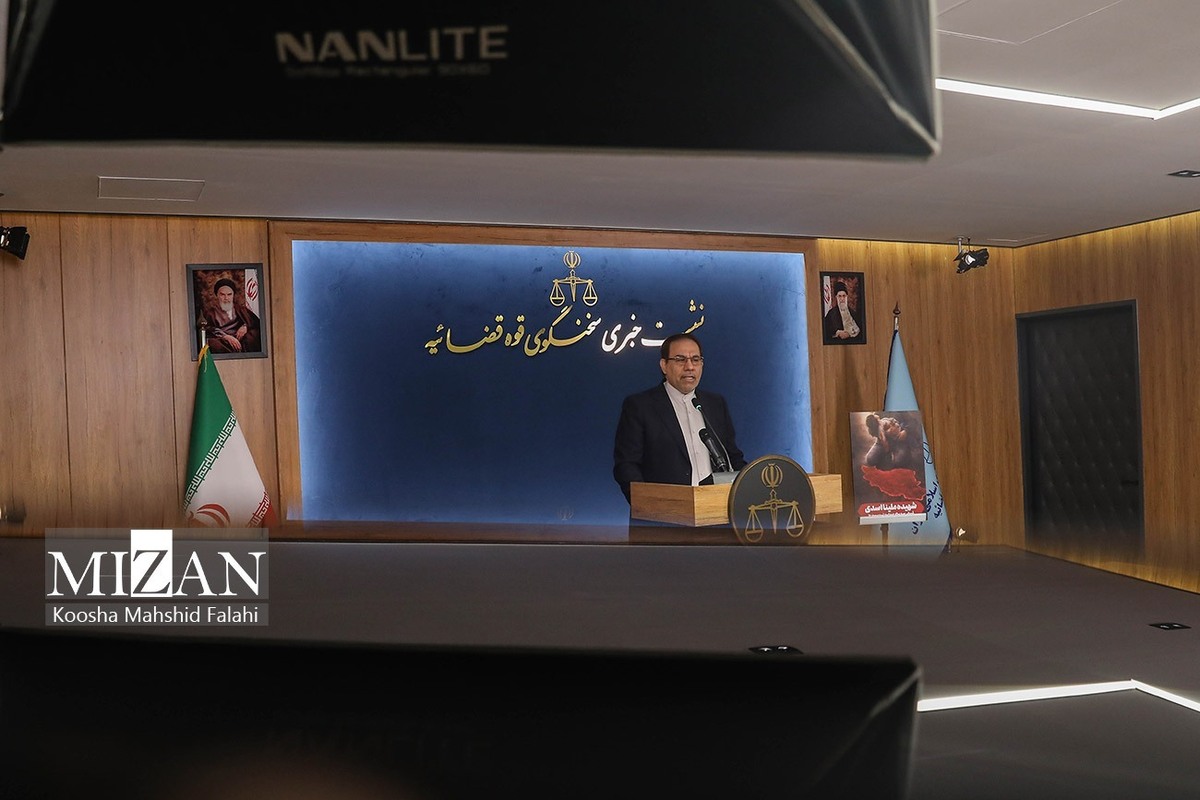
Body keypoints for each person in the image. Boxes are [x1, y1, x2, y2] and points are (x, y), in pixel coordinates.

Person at [613, 333, 746, 503]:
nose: (689, 367)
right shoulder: (640, 406)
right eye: (680, 360)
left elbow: (732, 456)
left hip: (714, 508)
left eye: (695, 359)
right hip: (664, 511)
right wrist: (648, 503)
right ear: (664, 366)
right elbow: (627, 465)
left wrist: (750, 487)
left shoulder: (715, 404)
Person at [205, 278, 262, 354]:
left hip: (241, 340)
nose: (226, 298)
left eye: (229, 294)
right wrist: (225, 336)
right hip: (222, 341)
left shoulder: (241, 309)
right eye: (222, 295)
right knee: (213, 344)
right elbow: (208, 329)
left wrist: (245, 326)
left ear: (233, 295)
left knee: (253, 335)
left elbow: (255, 322)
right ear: (217, 295)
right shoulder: (210, 313)